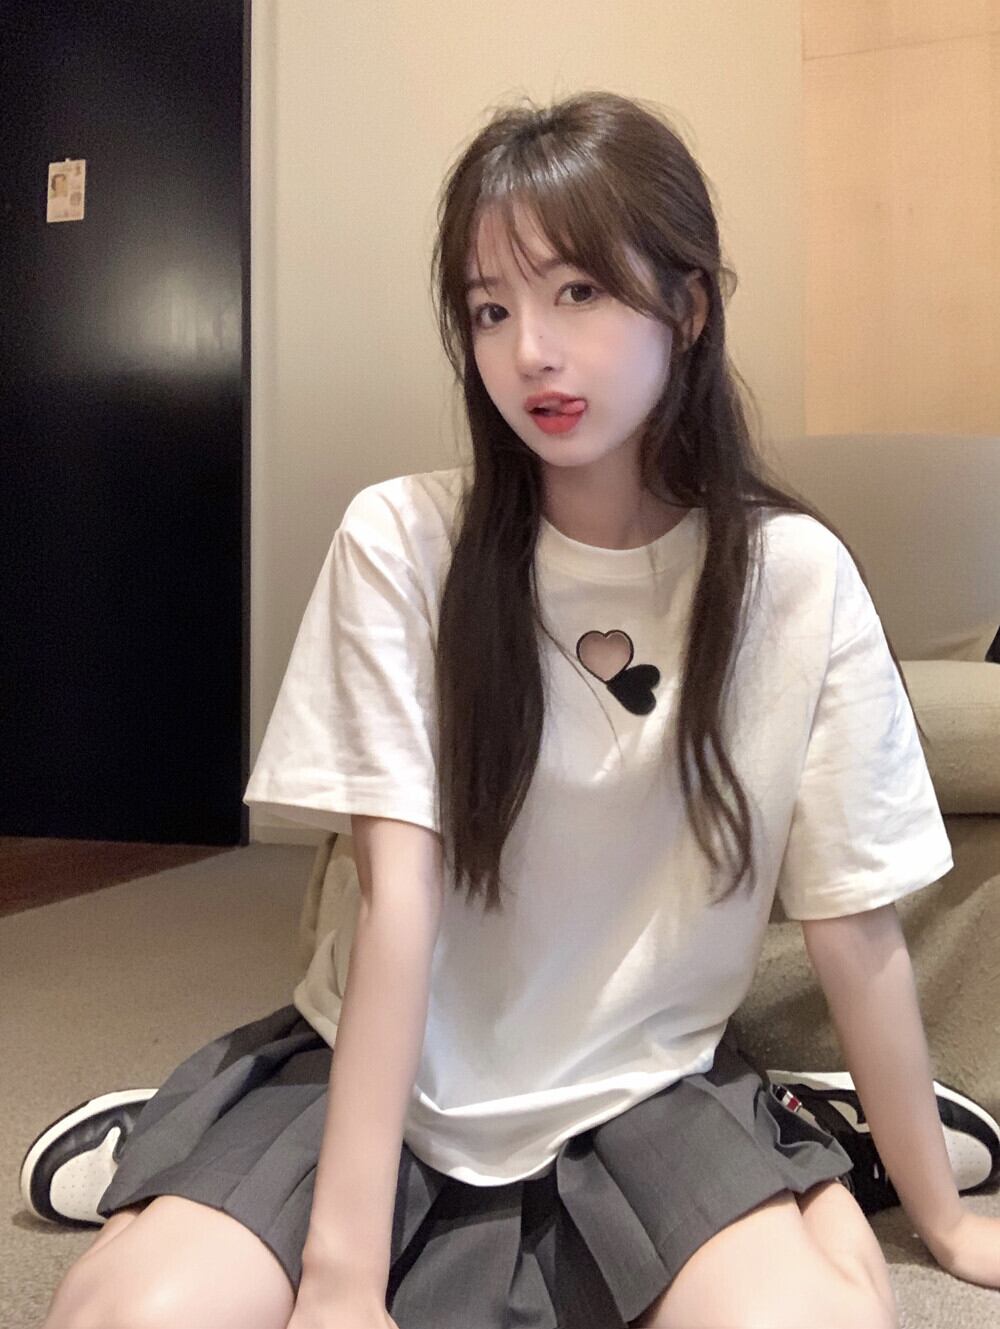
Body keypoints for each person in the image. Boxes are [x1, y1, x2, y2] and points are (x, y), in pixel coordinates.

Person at [32, 90, 1000, 1329]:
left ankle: (819, 1132)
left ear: (688, 307)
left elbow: (850, 921)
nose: (529, 351)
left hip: (645, 1085)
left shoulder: (792, 577)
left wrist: (941, 1218)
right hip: (383, 1074)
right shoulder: (401, 541)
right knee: (131, 1315)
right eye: (490, 309)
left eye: (577, 292)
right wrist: (340, 1283)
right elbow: (400, 902)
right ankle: (189, 1128)